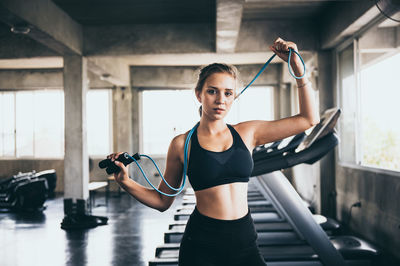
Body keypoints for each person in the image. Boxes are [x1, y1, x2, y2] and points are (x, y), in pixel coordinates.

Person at [107, 37, 320, 266]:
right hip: (202, 244)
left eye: (228, 93)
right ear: (199, 94)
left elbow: (309, 119)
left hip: (245, 240)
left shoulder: (248, 132)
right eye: (212, 91)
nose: (221, 100)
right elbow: (162, 201)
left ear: (234, 97)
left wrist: (298, 69)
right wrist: (126, 182)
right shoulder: (181, 144)